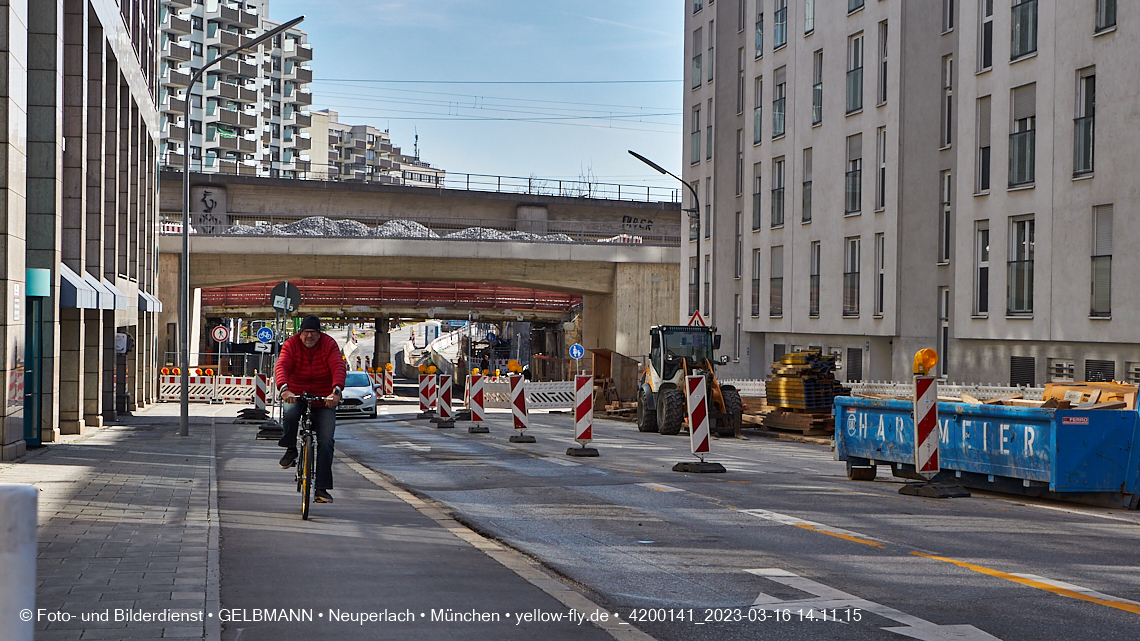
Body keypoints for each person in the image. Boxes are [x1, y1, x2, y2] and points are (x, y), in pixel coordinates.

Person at [275, 314, 346, 504]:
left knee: (326, 441)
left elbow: (338, 366)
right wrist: (284, 388)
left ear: (319, 334)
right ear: (300, 334)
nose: (309, 336)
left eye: (313, 332)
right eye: (306, 332)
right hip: (296, 394)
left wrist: (336, 391)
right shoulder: (291, 345)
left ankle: (321, 489)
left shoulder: (329, 345)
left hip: (324, 399)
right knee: (289, 414)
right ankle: (291, 450)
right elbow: (282, 366)